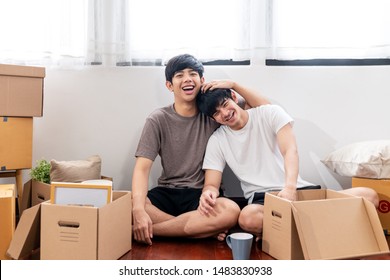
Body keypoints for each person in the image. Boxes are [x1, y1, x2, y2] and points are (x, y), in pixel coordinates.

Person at [196, 88, 379, 240]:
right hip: (264, 201)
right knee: (248, 219)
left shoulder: (269, 112)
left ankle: (286, 233)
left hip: (300, 192)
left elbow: (290, 151)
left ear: (234, 97)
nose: (225, 114)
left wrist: (290, 188)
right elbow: (211, 183)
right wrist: (208, 194)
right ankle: (321, 230)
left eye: (225, 105)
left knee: (369, 196)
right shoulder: (217, 140)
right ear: (213, 119)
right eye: (217, 114)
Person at [131, 54, 270, 245]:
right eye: (179, 75)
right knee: (133, 204)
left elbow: (266, 110)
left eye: (193, 74)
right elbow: (142, 168)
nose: (187, 79)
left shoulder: (215, 113)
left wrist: (234, 84)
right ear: (169, 85)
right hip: (167, 192)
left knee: (231, 210)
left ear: (202, 81)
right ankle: (198, 230)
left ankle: (154, 231)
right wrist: (138, 211)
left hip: (202, 196)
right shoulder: (157, 119)